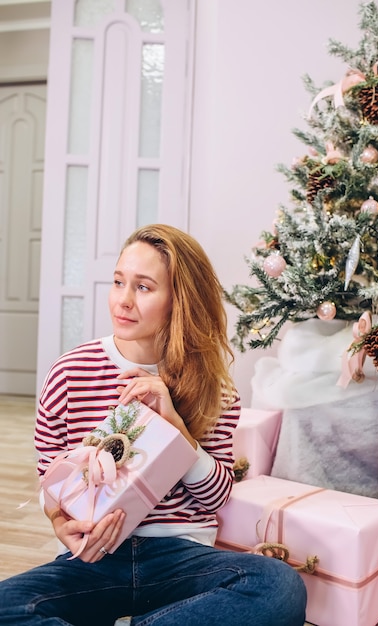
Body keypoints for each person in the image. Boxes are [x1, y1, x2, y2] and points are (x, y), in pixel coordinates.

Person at [0, 224, 307, 626]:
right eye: (118, 282)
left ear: (178, 300)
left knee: (279, 586)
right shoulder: (68, 373)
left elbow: (215, 497)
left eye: (143, 287)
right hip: (95, 561)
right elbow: (49, 482)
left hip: (181, 559)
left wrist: (176, 427)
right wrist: (62, 524)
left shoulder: (213, 387)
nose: (123, 301)